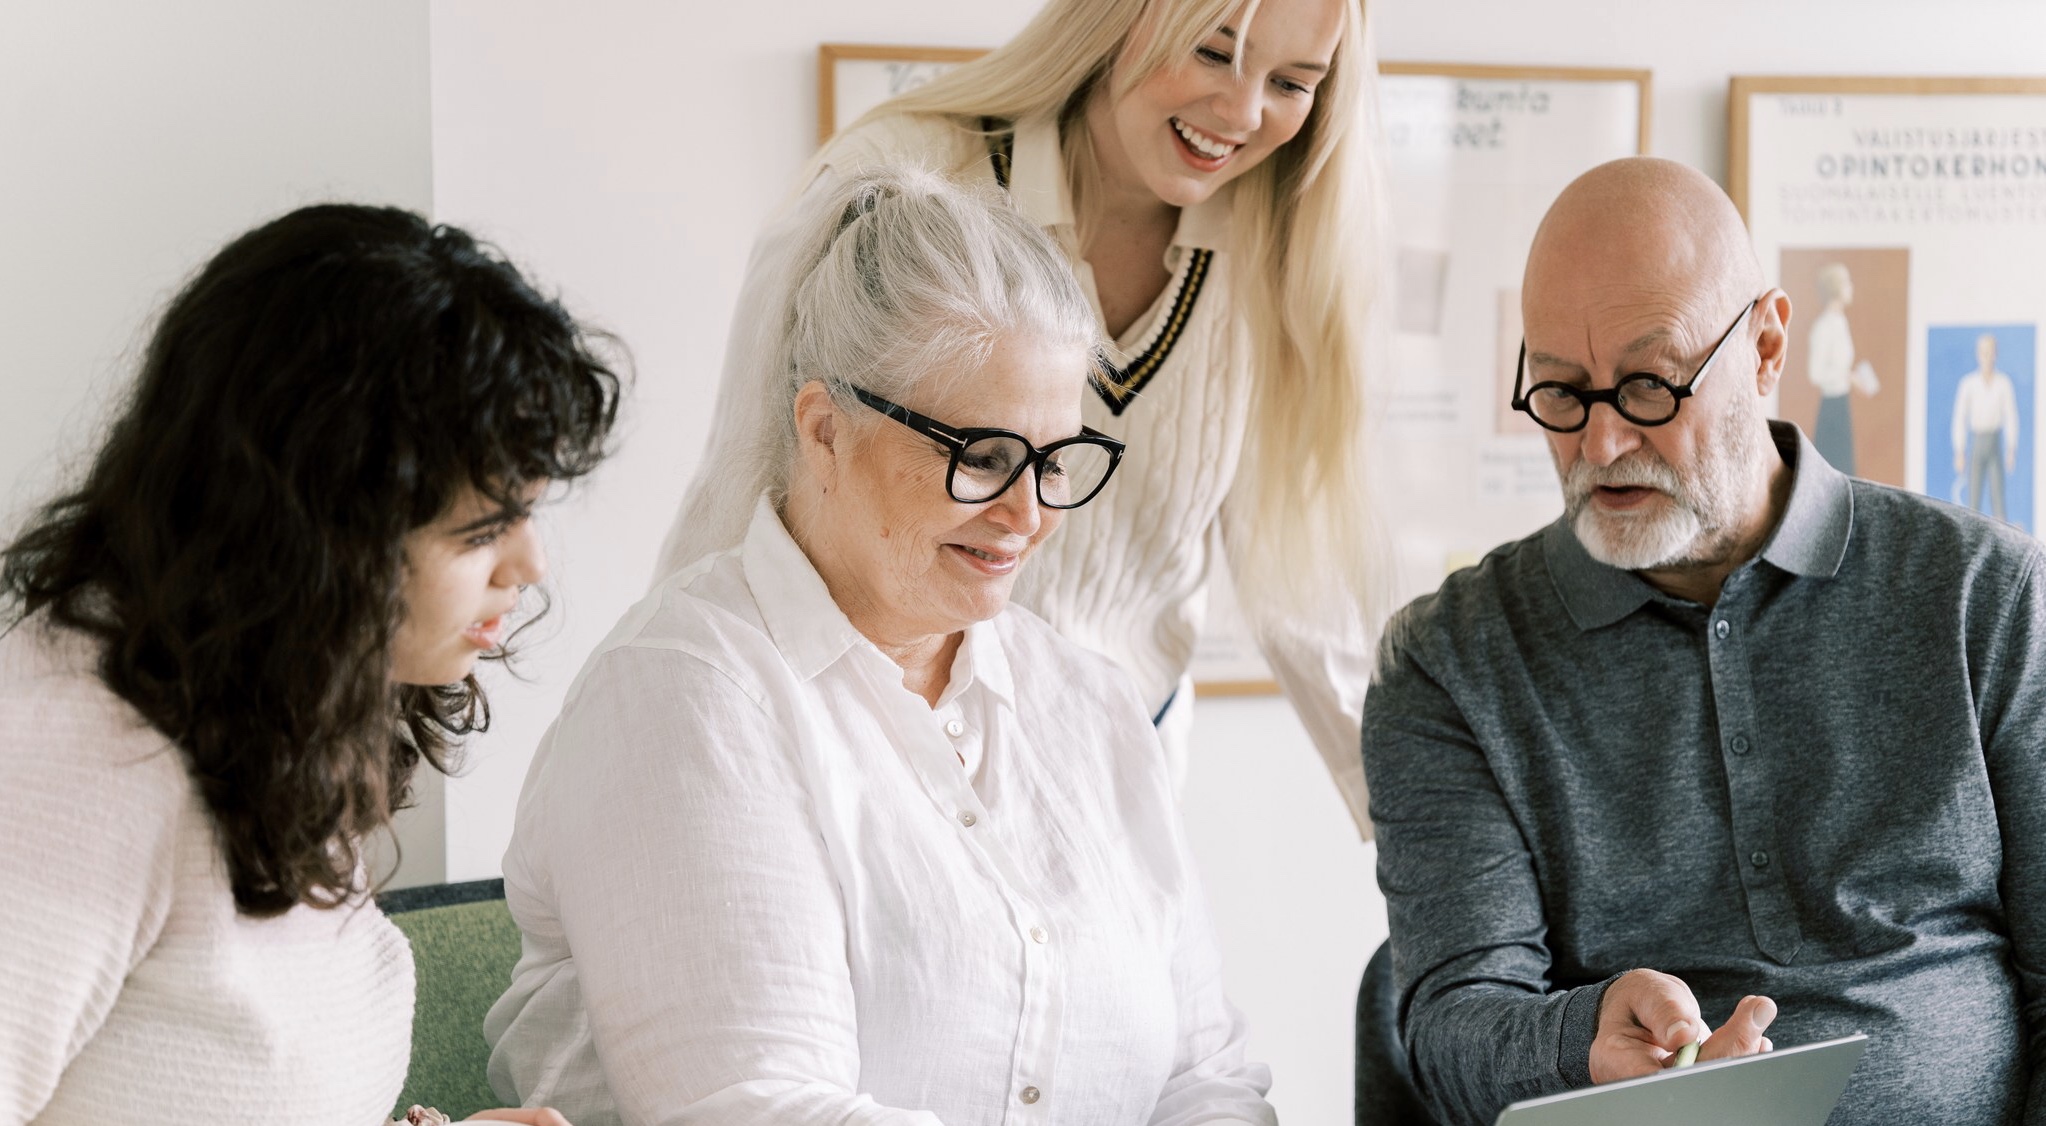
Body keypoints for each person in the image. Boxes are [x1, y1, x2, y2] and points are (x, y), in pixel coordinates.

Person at [485, 169, 1275, 1126]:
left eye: (1057, 459)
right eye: (982, 456)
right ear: (824, 428)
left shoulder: (1090, 703)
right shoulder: (684, 694)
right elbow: (762, 1108)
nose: (1029, 514)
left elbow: (1209, 1079)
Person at [1361, 157, 2045, 1125]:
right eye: (1560, 393)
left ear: (1766, 347)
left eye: (1648, 384)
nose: (1600, 447)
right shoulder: (1449, 661)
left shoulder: (1988, 597)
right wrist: (1582, 1034)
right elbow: (1449, 1028)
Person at [653, 0, 1389, 828]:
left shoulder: (1283, 258)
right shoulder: (896, 174)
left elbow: (1303, 594)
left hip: (1106, 773)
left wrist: (1429, 840)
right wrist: (679, 719)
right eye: (1215, 52)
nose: (1246, 113)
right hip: (862, 752)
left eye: (1292, 83)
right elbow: (741, 487)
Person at [0, 205, 621, 1125]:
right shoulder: (76, 755)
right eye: (483, 529)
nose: (528, 568)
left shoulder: (278, 712)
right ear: (323, 529)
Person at [1803, 261, 1878, 474]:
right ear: (1836, 288)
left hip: (1842, 404)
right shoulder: (1824, 326)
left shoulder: (1840, 321)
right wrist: (1848, 376)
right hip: (1831, 410)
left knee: (1846, 471)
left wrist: (1852, 378)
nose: (1851, 287)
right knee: (1834, 469)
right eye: (1847, 283)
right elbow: (1815, 373)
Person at [1954, 331, 2020, 521]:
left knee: (1997, 495)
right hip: (1977, 442)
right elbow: (1960, 418)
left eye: (1991, 352)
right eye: (1983, 352)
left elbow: (2011, 416)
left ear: (1996, 354)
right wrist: (1960, 451)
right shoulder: (1968, 384)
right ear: (1978, 354)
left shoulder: (2003, 383)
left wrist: (2011, 448)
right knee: (1973, 497)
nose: (1987, 356)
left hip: (1995, 443)